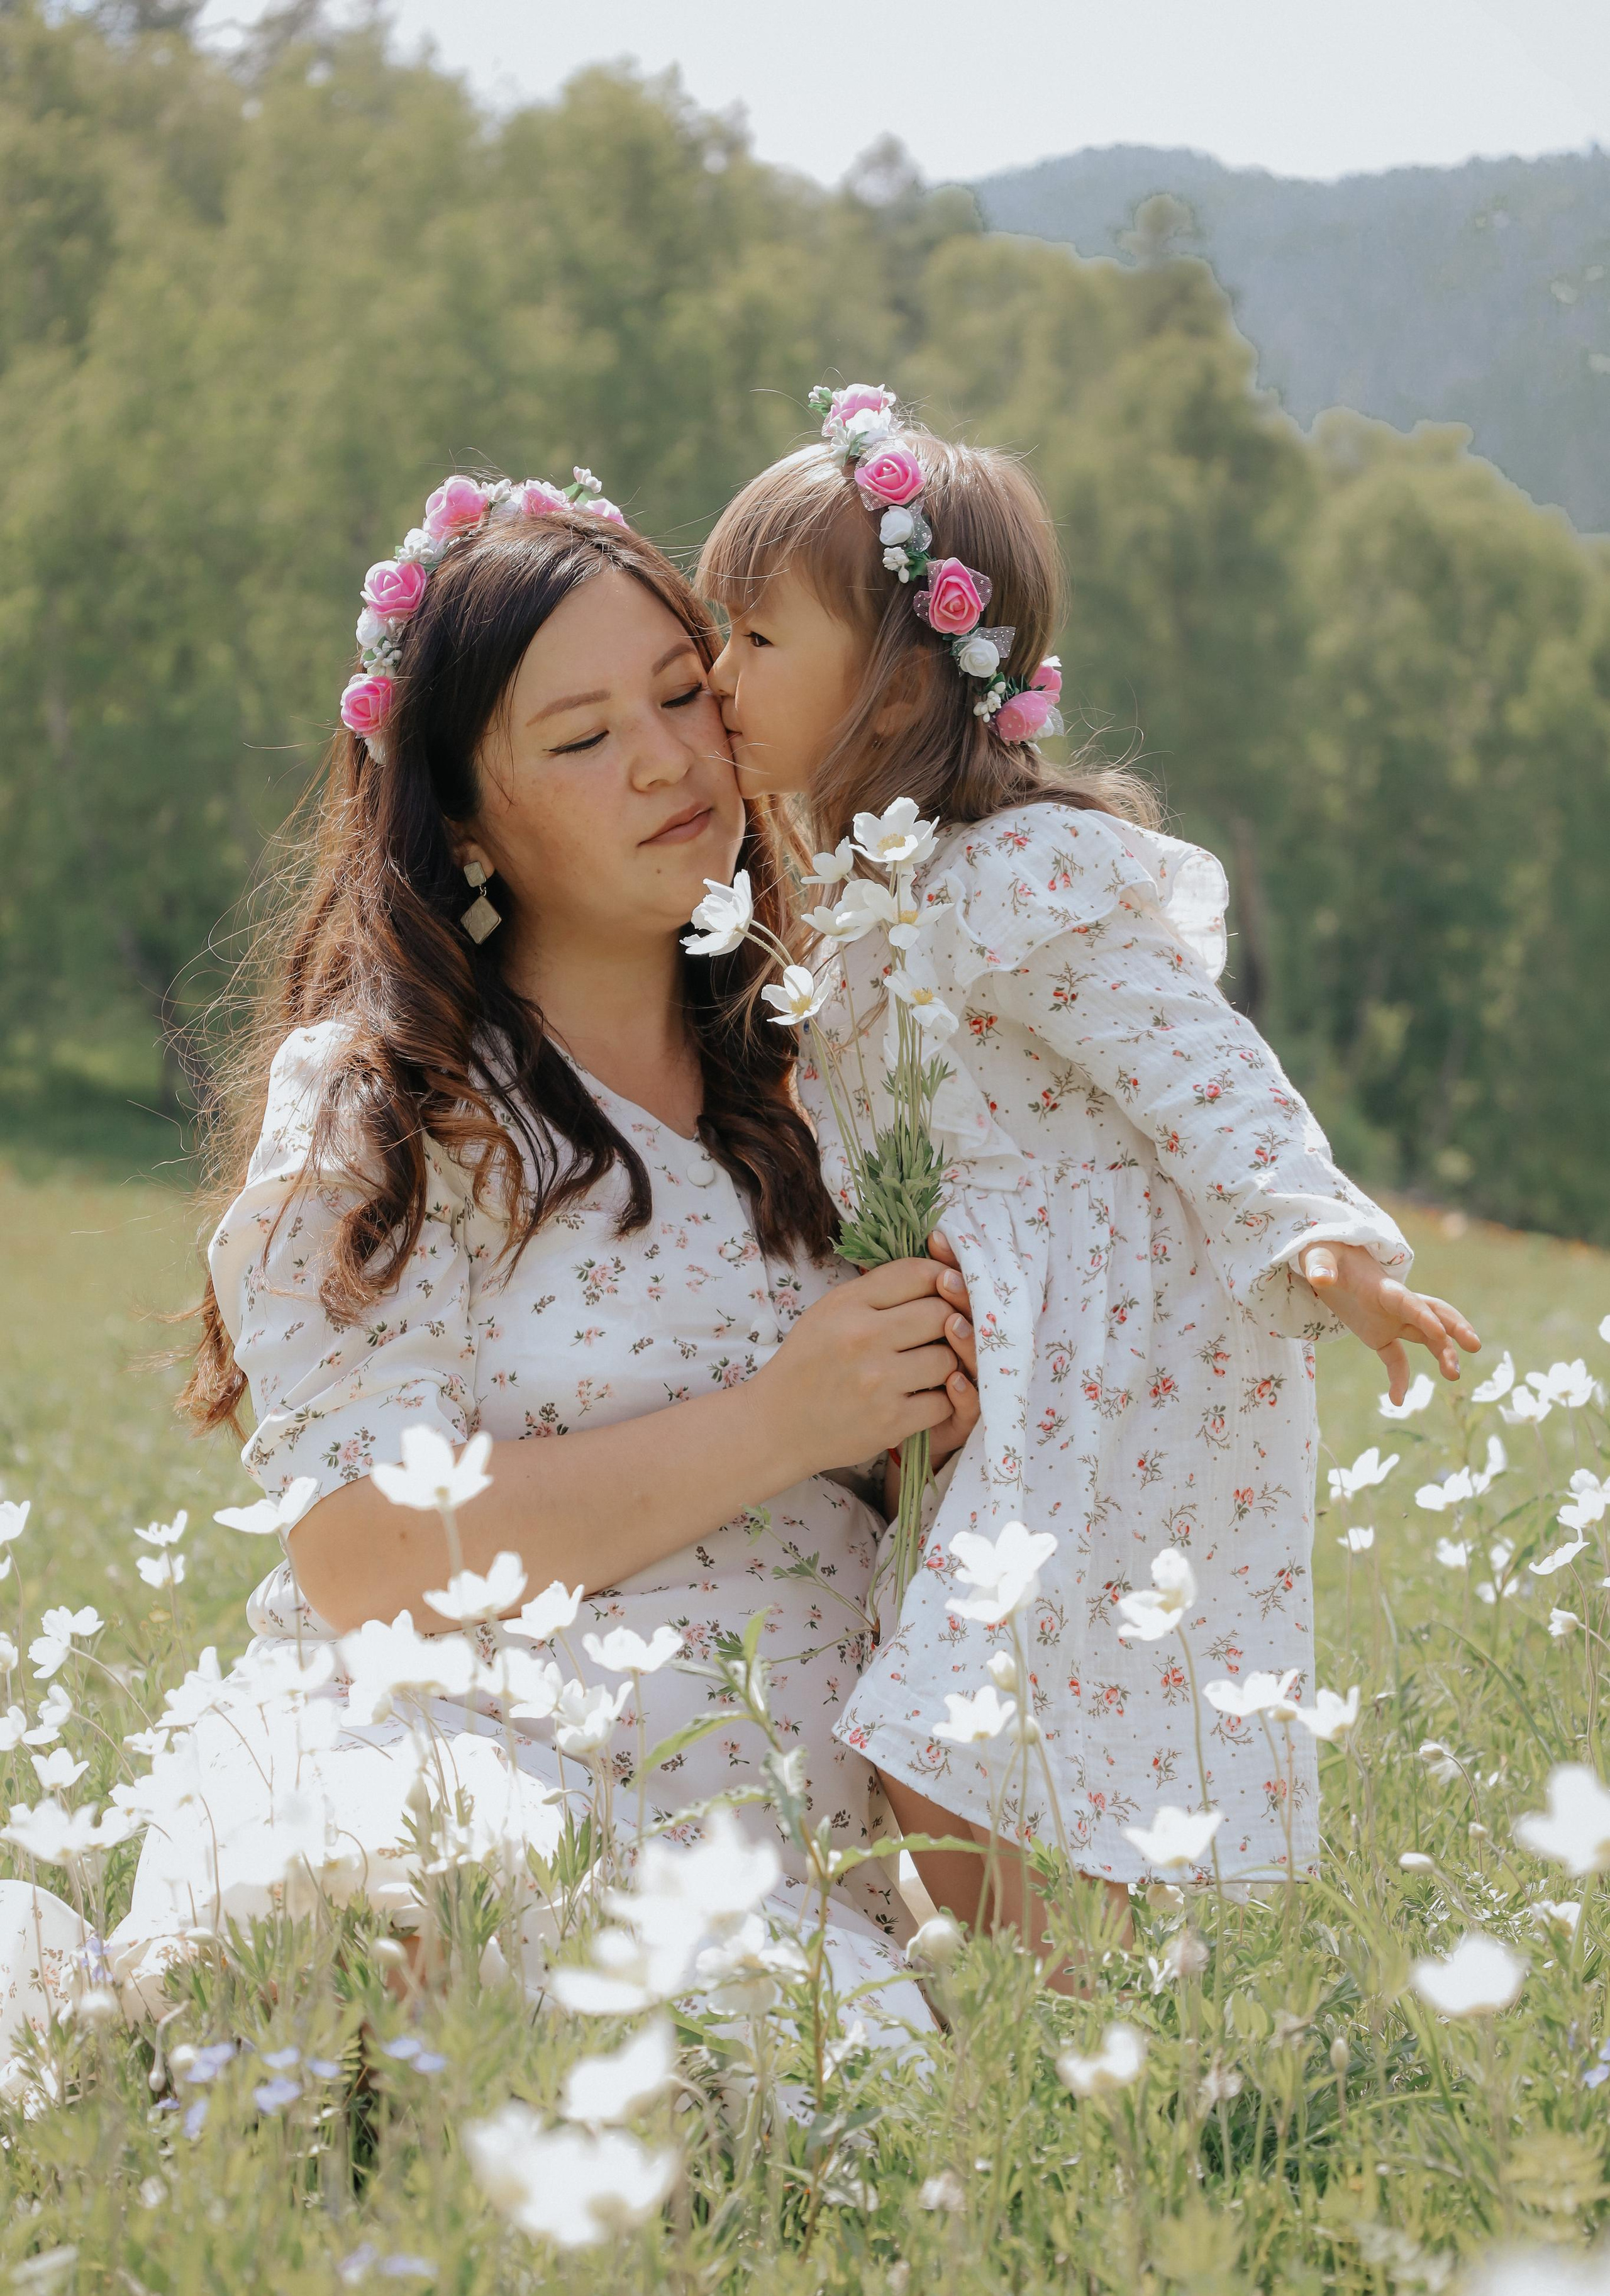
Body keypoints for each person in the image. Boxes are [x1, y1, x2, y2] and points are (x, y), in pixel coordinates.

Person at [0, 468, 982, 2045]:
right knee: (408, 1954)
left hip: (773, 1862)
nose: (667, 760)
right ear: (463, 811)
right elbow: (367, 1560)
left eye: (686, 692)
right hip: (450, 1765)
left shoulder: (849, 1085)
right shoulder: (393, 1108)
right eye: (583, 739)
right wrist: (788, 1421)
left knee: (790, 2114)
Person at [695, 384, 1479, 1951]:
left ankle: (1073, 2037)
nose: (714, 682)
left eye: (757, 642)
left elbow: (1193, 1065)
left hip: (1102, 1369)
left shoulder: (1014, 881)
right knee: (966, 1733)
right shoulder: (847, 892)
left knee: (961, 1738)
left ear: (905, 681)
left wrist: (1317, 1237)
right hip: (993, 1368)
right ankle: (1067, 2016)